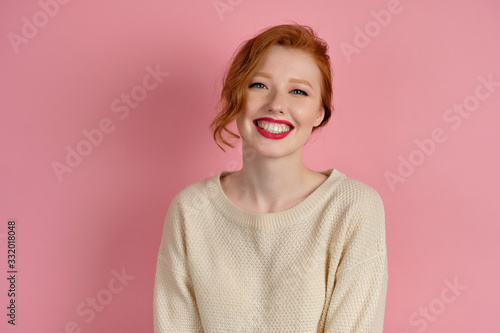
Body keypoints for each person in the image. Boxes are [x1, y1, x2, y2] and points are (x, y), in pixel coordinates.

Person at [153, 23, 388, 332]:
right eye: (259, 85)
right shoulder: (190, 210)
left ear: (320, 112)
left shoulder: (353, 208)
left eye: (299, 91)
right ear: (235, 96)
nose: (277, 104)